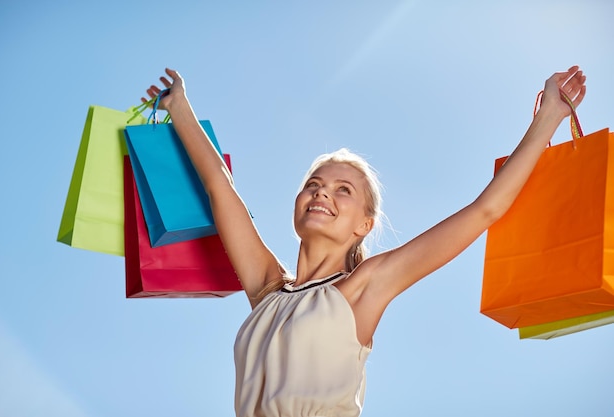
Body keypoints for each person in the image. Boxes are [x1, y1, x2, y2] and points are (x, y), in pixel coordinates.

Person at [143, 66, 586, 417]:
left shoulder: (365, 287)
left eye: (343, 191)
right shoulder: (267, 289)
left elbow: (484, 210)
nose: (322, 193)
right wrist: (179, 107)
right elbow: (219, 186)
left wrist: (548, 116)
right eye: (314, 184)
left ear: (364, 225)